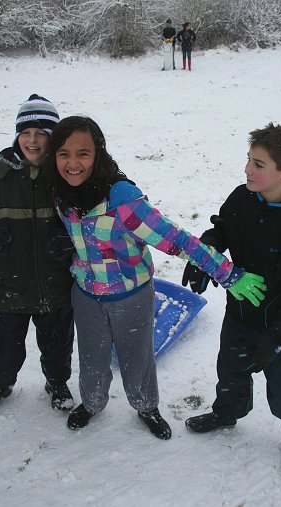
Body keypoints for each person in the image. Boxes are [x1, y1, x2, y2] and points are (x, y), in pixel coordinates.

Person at [45, 115, 267, 440]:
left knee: (137, 360)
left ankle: (146, 406)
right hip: (86, 295)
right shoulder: (59, 193)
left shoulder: (123, 202)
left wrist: (228, 273)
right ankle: (92, 403)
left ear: (98, 153)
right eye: (64, 153)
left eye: (83, 153)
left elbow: (177, 240)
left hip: (130, 297)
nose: (72, 163)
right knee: (92, 358)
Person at [182, 123, 281, 469]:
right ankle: (227, 413)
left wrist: (280, 334)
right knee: (230, 371)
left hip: (279, 327)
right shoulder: (241, 199)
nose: (248, 169)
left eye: (259, 164)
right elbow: (222, 230)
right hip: (238, 315)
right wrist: (206, 255)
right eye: (248, 160)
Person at [0, 94, 75, 413]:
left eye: (42, 133)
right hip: (11, 280)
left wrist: (69, 238)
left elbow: (90, 218)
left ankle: (57, 382)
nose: (33, 141)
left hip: (56, 281)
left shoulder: (67, 173)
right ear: (17, 135)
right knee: (6, 345)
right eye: (26, 133)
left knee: (57, 343)